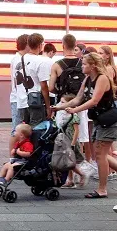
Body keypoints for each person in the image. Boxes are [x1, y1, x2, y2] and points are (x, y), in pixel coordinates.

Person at [53, 52, 117, 199]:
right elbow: (78, 98)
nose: (81, 66)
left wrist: (75, 111)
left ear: (93, 66)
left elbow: (94, 101)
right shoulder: (88, 79)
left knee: (100, 155)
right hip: (100, 121)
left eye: (84, 64)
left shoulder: (102, 79)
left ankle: (102, 189)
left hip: (109, 121)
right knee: (100, 153)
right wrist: (58, 107)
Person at [49, 35, 92, 176]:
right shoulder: (83, 63)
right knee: (81, 136)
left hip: (64, 104)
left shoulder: (57, 65)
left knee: (64, 136)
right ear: (75, 46)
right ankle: (85, 165)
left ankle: (69, 175)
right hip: (82, 103)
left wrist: (60, 92)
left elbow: (50, 88)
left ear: (62, 45)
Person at [18, 33, 53, 126]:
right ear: (40, 45)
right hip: (36, 101)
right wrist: (48, 107)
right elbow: (44, 86)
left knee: (25, 128)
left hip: (23, 100)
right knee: (37, 127)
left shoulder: (22, 58)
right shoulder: (41, 61)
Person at [9, 33, 29, 154]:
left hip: (20, 98)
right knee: (16, 130)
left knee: (20, 129)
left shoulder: (19, 58)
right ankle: (12, 155)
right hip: (18, 98)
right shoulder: (18, 60)